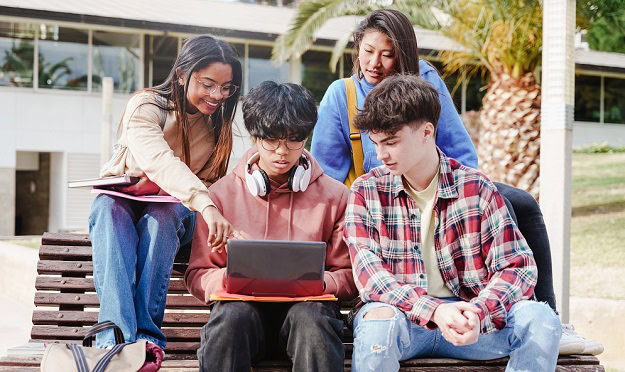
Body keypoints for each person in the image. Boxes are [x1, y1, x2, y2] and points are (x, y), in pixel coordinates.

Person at [311, 7, 559, 312]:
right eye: (368, 51)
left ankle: (546, 310)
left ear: (403, 56)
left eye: (387, 55)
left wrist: (464, 192)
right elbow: (327, 173)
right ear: (357, 47)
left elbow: (457, 145)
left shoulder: (424, 77)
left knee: (520, 202)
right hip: (383, 191)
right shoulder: (342, 94)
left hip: (441, 178)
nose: (374, 63)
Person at [344, 74, 561, 372]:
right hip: (404, 321)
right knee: (377, 321)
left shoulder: (477, 187)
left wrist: (478, 312)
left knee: (540, 319)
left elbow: (518, 266)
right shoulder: (366, 190)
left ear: (426, 132)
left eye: (391, 142)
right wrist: (435, 310)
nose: (381, 154)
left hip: (472, 323)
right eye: (376, 143)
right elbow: (370, 277)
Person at [184, 81, 358, 372]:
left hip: (308, 315)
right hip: (243, 316)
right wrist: (226, 280)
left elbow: (351, 276)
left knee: (312, 318)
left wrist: (323, 283)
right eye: (272, 140)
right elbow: (198, 273)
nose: (282, 151)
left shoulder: (336, 196)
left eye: (294, 140)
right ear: (254, 135)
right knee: (230, 318)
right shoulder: (220, 196)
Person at [88, 34, 242, 350]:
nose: (218, 95)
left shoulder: (217, 124)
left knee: (163, 215)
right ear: (182, 74)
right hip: (124, 202)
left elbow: (214, 180)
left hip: (172, 214)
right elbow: (159, 160)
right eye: (208, 84)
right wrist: (207, 205)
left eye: (226, 88)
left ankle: (146, 339)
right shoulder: (146, 105)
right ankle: (115, 340)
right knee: (106, 208)